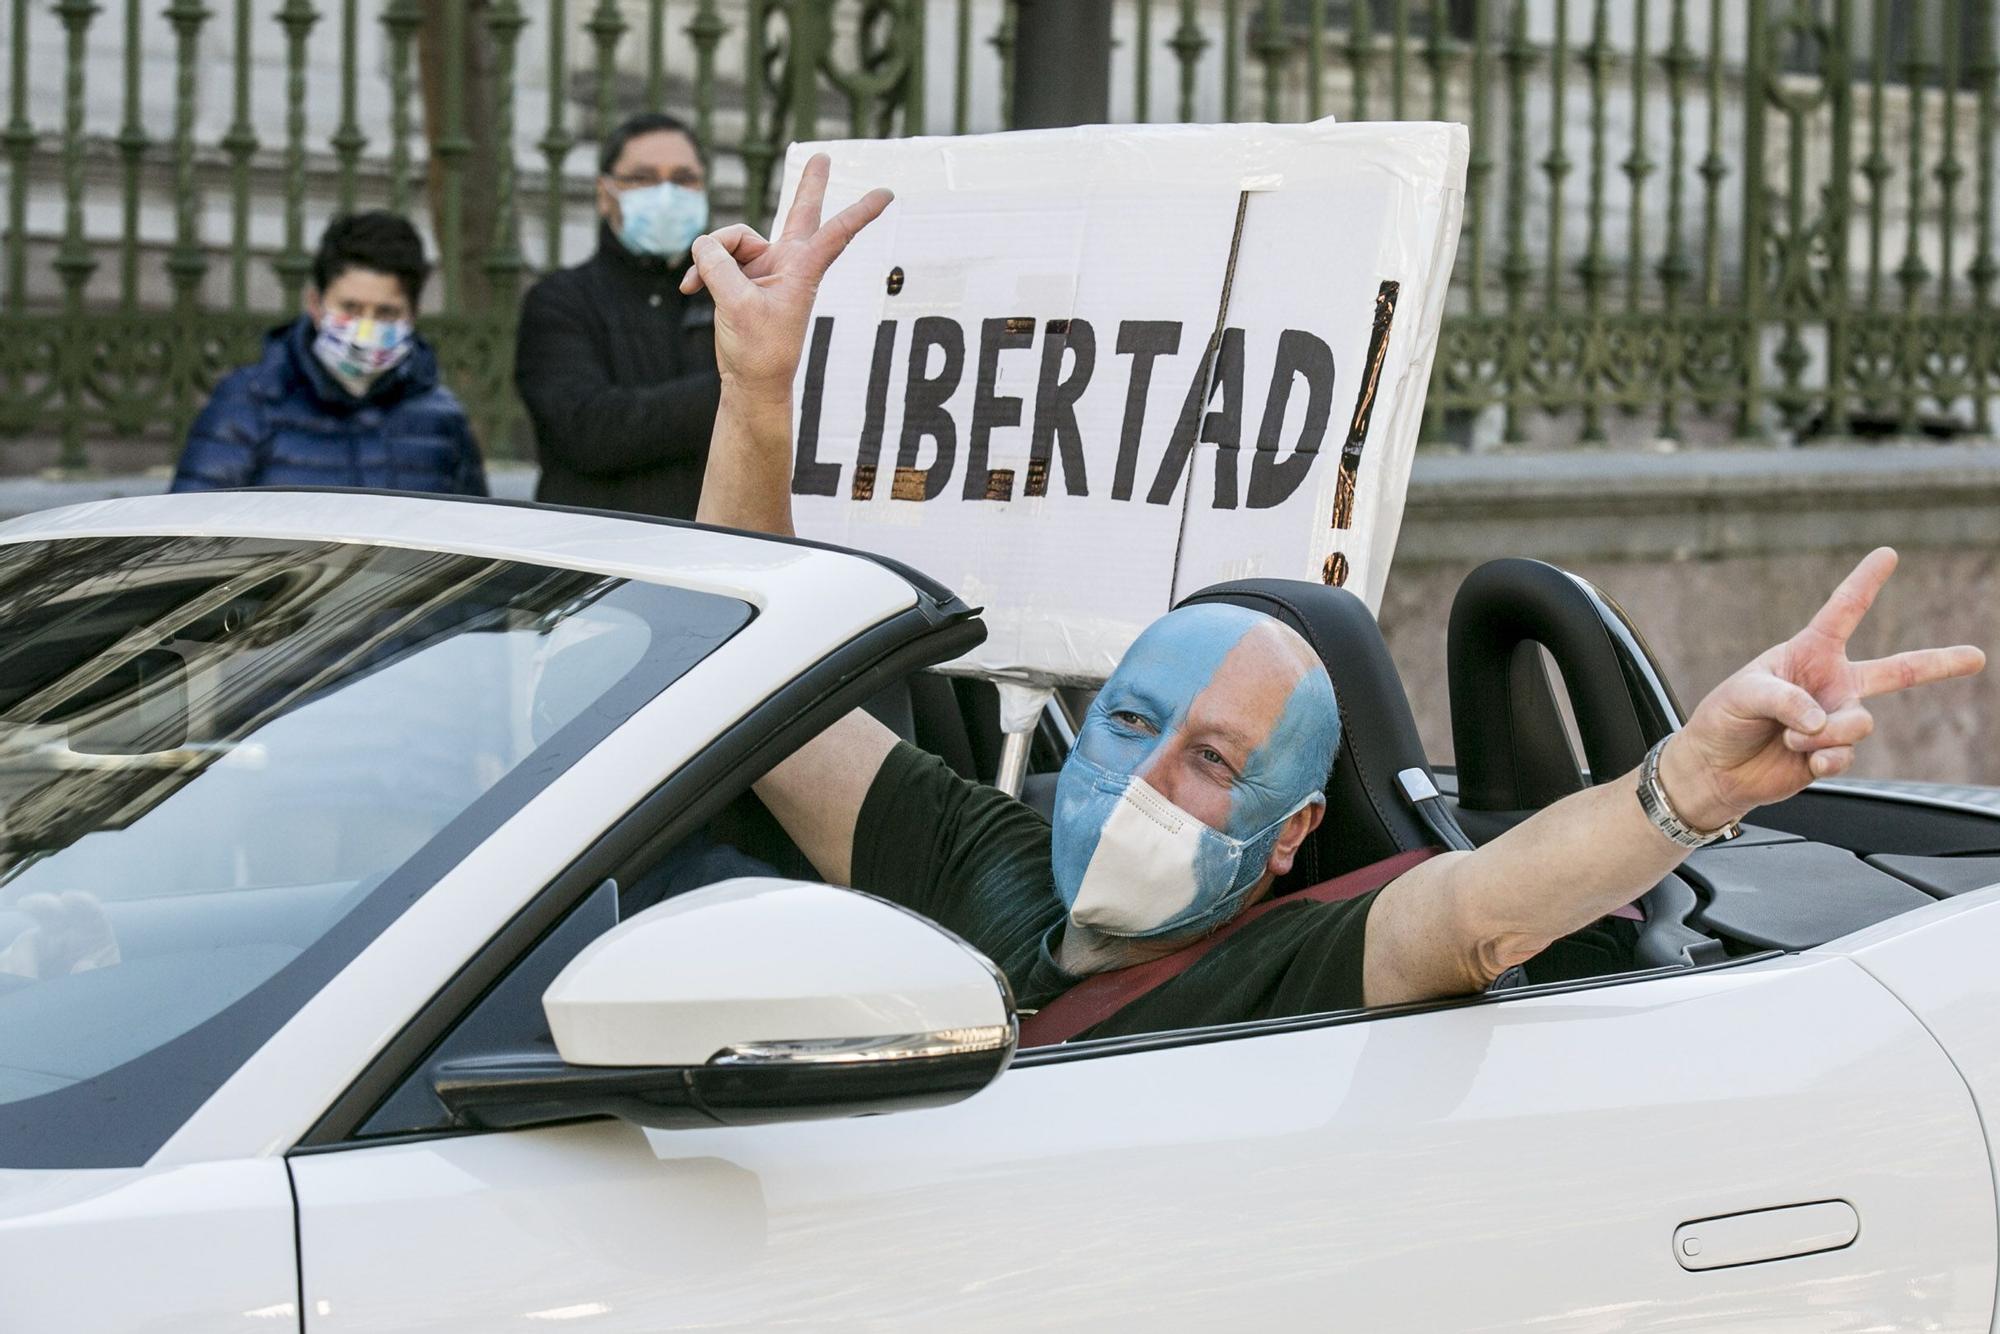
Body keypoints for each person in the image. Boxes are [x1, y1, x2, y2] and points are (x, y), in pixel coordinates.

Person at [681, 154, 1987, 1040]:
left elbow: (1477, 914)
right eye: (1130, 723)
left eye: (1210, 758)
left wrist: (1690, 784)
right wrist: (759, 387)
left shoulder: (1285, 959)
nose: (1139, 783)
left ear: (1294, 828)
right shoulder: (993, 861)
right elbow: (771, 693)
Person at [171, 212, 487, 496]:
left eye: (386, 313)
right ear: (315, 304)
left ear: (413, 315)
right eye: (351, 308)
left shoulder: (442, 420)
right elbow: (187, 536)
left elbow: (474, 542)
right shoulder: (250, 404)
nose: (365, 331)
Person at [514, 111, 720, 518]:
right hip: (596, 558)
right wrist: (738, 388)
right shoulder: (560, 301)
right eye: (642, 178)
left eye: (683, 179)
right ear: (604, 193)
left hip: (713, 553)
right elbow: (588, 431)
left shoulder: (727, 299)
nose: (666, 194)